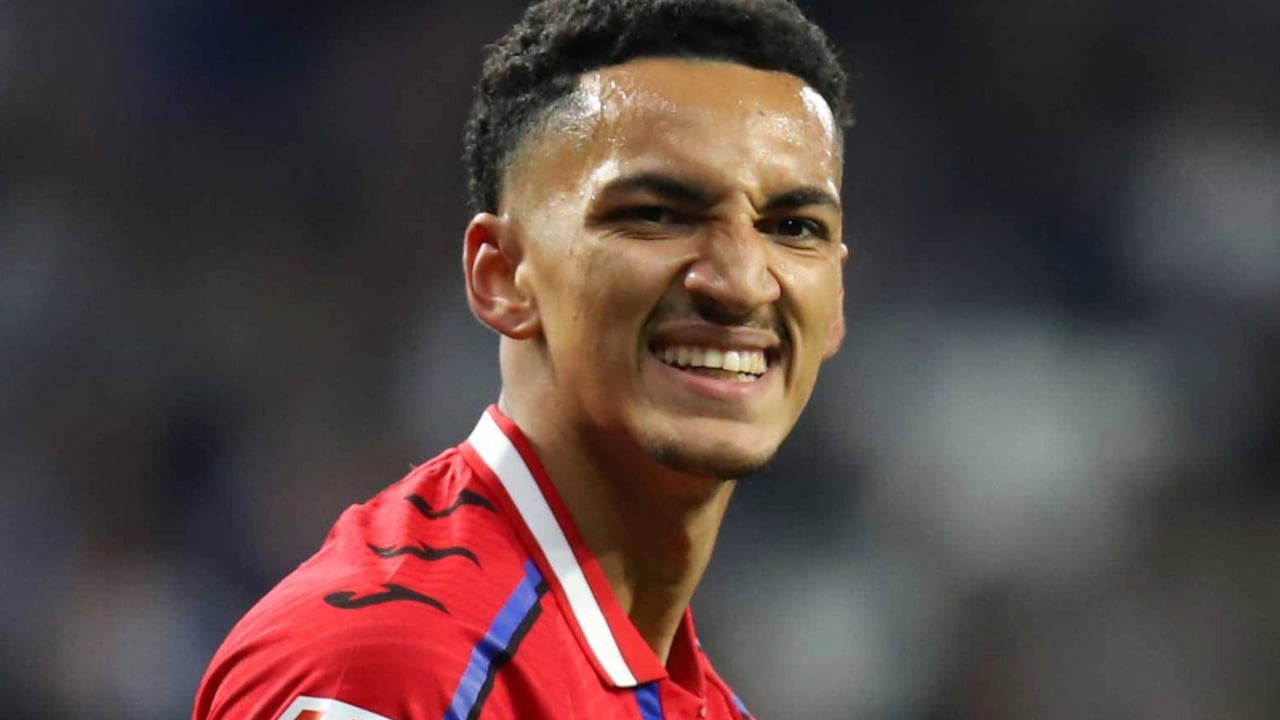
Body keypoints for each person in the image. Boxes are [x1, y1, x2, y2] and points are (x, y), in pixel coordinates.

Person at [192, 0, 852, 717]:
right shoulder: (388, 671)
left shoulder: (696, 699)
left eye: (794, 227)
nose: (741, 283)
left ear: (837, 303)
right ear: (502, 276)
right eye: (656, 215)